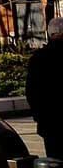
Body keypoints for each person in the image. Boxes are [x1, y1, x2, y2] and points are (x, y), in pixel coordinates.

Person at [26, 16, 63, 159]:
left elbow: (31, 91)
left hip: (49, 123)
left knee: (54, 162)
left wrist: (39, 117)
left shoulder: (38, 58)